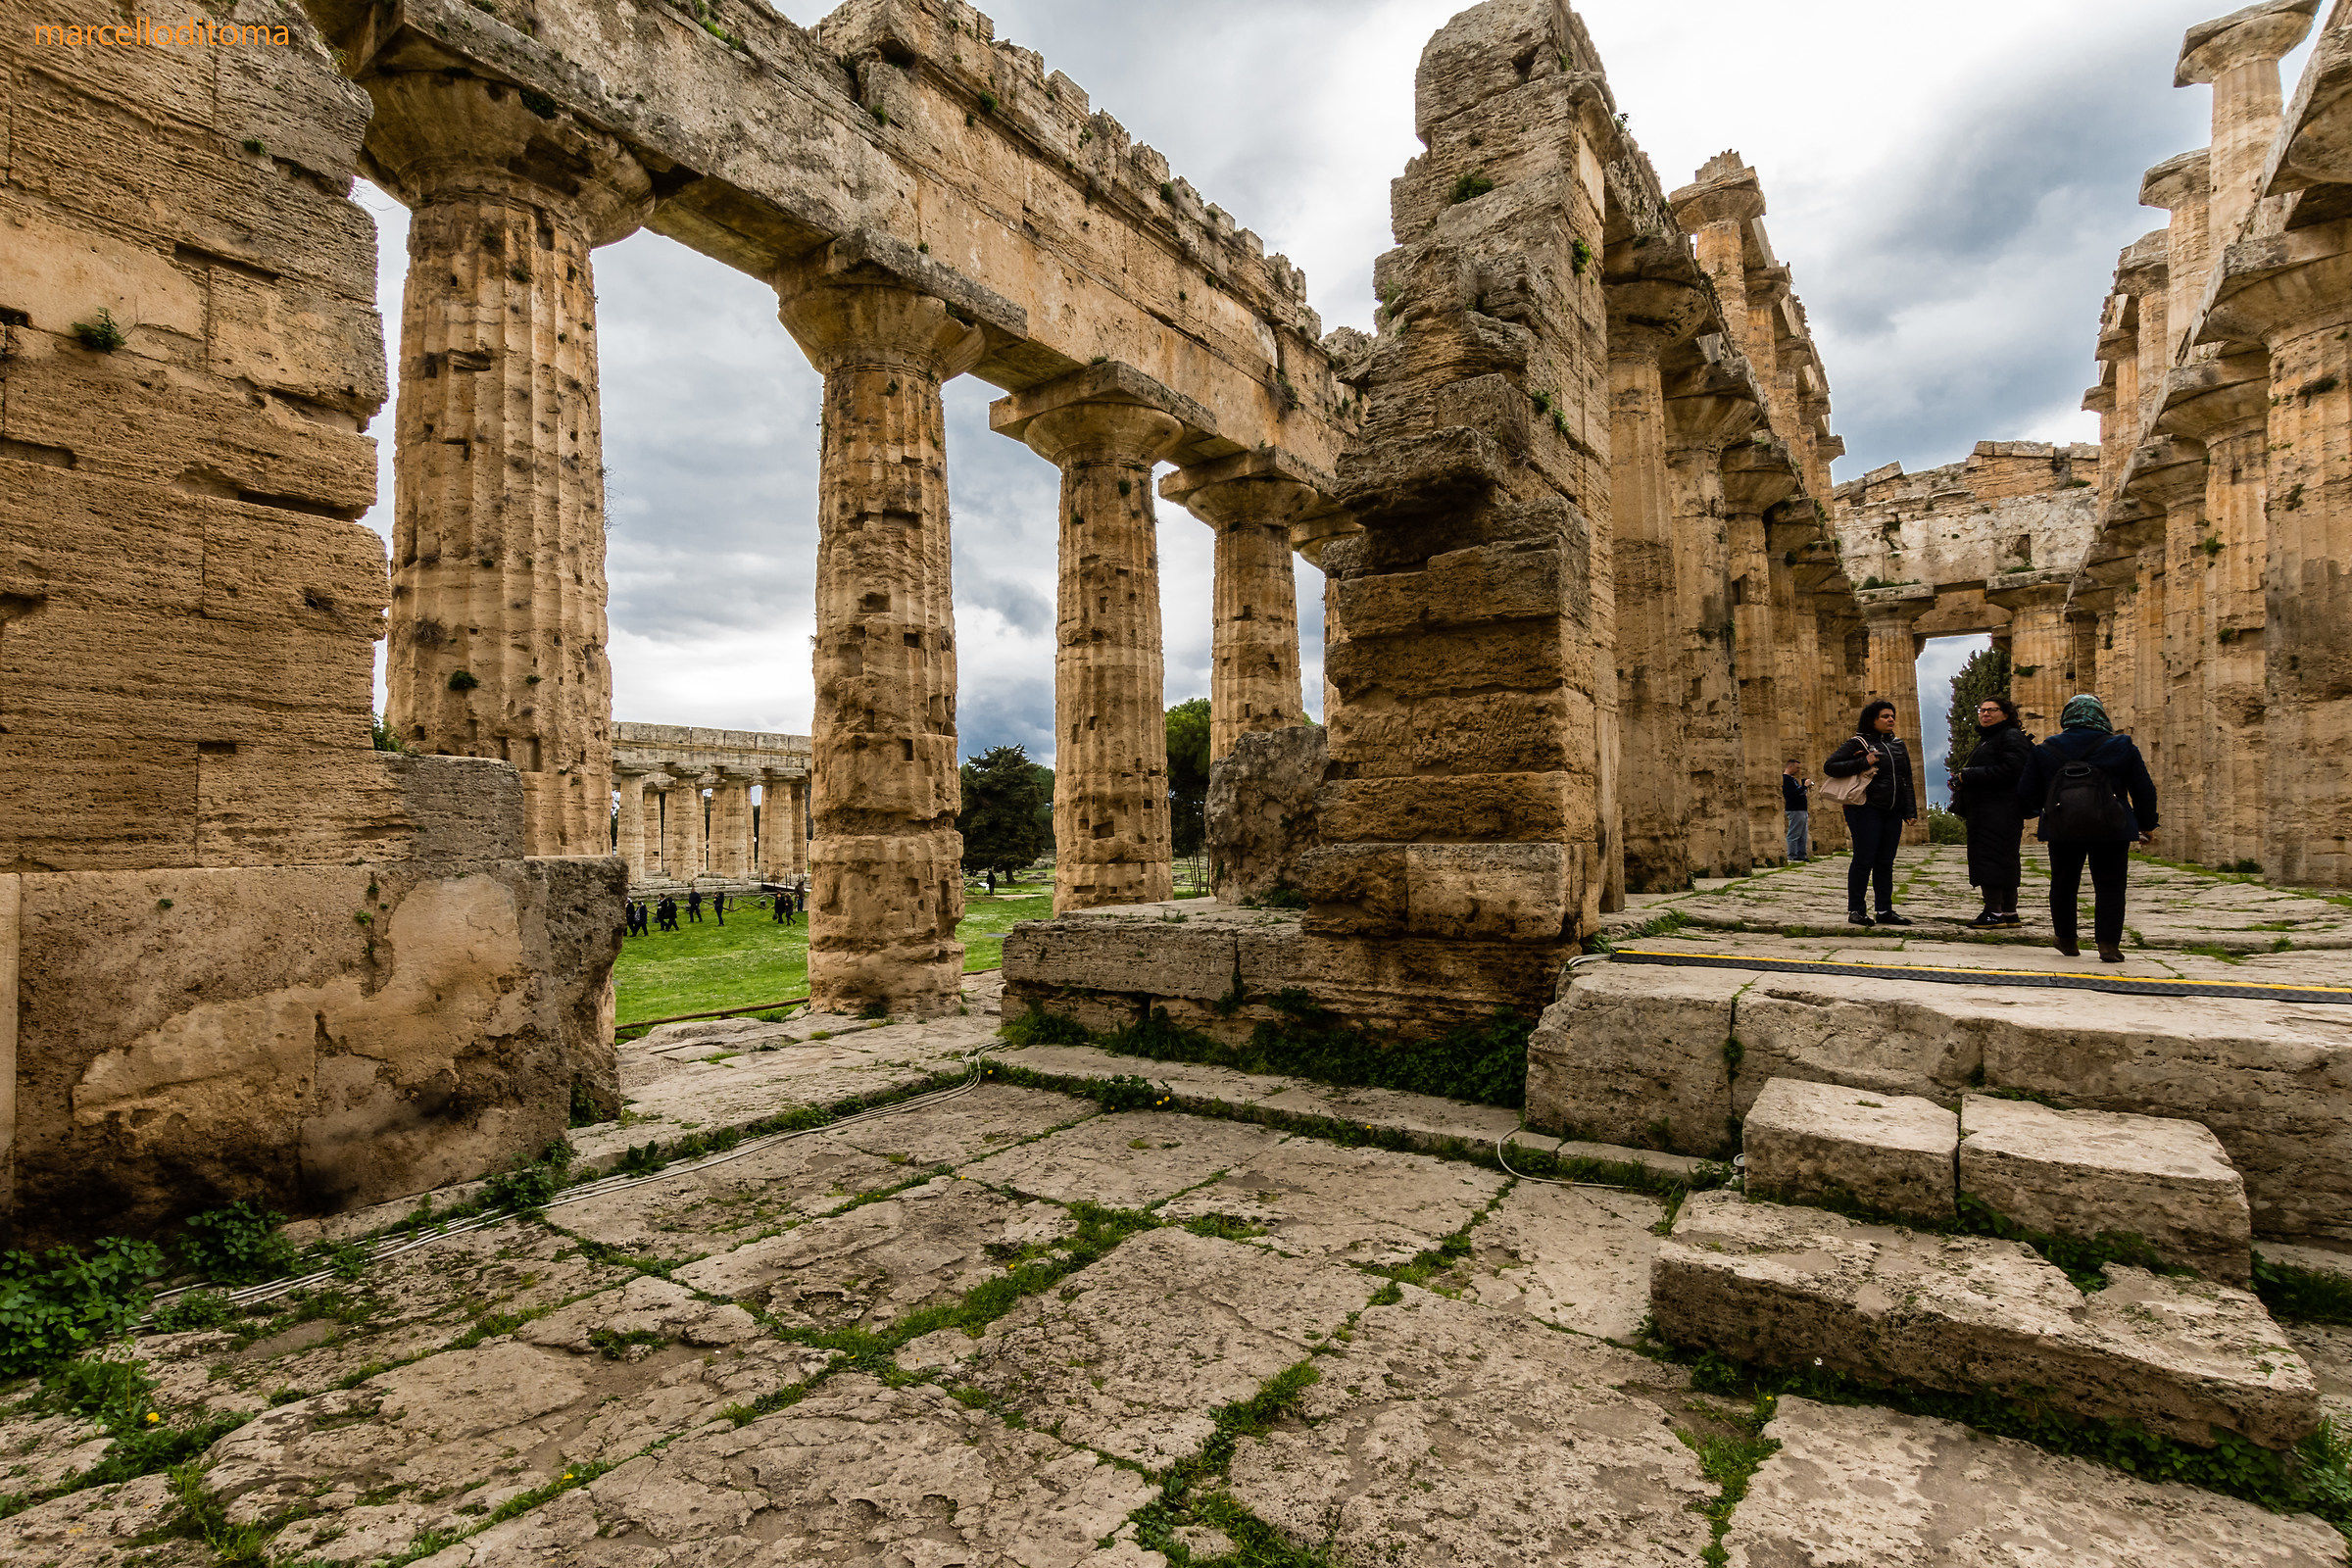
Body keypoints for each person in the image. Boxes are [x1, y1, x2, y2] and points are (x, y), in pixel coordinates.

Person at [2017, 694, 2157, 963]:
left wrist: (2040, 813)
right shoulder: (2121, 745)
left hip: (2063, 826)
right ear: (2100, 715)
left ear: (2067, 717)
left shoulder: (2045, 749)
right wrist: (2146, 823)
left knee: (2063, 882)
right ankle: (2108, 944)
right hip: (2112, 826)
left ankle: (2067, 939)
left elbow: (2026, 792)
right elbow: (2143, 789)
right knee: (2111, 885)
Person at [1824, 699, 1919, 926]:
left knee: (1886, 861)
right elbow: (1830, 766)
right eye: (1885, 716)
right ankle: (1856, 910)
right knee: (1864, 859)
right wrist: (1862, 762)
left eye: (1892, 715)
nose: (1891, 719)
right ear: (1872, 720)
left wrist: (1910, 810)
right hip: (1865, 808)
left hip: (1892, 810)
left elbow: (1906, 779)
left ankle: (1885, 910)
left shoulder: (1899, 745)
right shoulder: (1858, 742)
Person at [1948, 694, 2035, 928]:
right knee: (2003, 858)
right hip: (1989, 809)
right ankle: (2008, 913)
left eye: (1992, 710)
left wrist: (1969, 775)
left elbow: (2012, 770)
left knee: (1991, 859)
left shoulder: (2010, 736)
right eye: (1982, 710)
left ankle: (1993, 913)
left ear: (2006, 714)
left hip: (1999, 809)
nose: (1985, 714)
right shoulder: (1993, 738)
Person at [1781, 760, 1812, 862]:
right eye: (1797, 768)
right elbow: (1791, 794)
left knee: (1803, 834)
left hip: (1801, 809)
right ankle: (1792, 855)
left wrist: (1804, 788)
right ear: (1790, 766)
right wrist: (1804, 786)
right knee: (1794, 833)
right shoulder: (1785, 779)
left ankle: (1801, 854)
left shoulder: (1792, 779)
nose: (1799, 770)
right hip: (1795, 809)